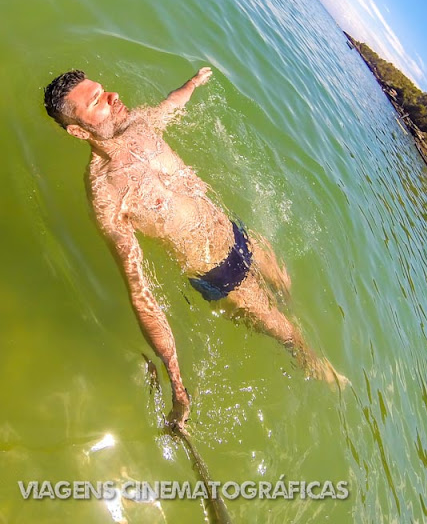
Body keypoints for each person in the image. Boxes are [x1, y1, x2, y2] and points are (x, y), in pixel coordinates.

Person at [43, 67, 344, 431]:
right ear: (77, 130)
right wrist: (175, 378)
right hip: (221, 273)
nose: (113, 97)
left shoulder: (137, 125)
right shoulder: (106, 193)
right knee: (290, 336)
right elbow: (139, 289)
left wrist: (192, 83)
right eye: (97, 101)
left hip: (236, 232)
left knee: (285, 286)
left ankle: (298, 320)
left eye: (104, 90)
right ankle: (328, 378)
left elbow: (171, 105)